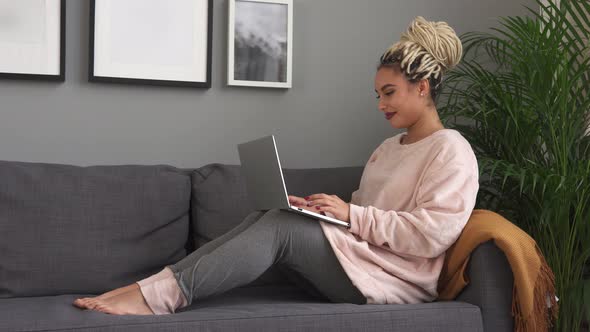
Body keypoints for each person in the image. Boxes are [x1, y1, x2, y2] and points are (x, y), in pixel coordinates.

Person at [72, 16, 479, 315]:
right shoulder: (388, 149)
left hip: (393, 280)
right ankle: (151, 288)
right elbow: (368, 215)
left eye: (389, 93)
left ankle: (154, 298)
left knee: (282, 228)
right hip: (358, 259)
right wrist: (327, 212)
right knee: (277, 213)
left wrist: (350, 214)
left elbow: (430, 237)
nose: (380, 105)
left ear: (422, 87)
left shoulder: (451, 151)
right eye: (377, 94)